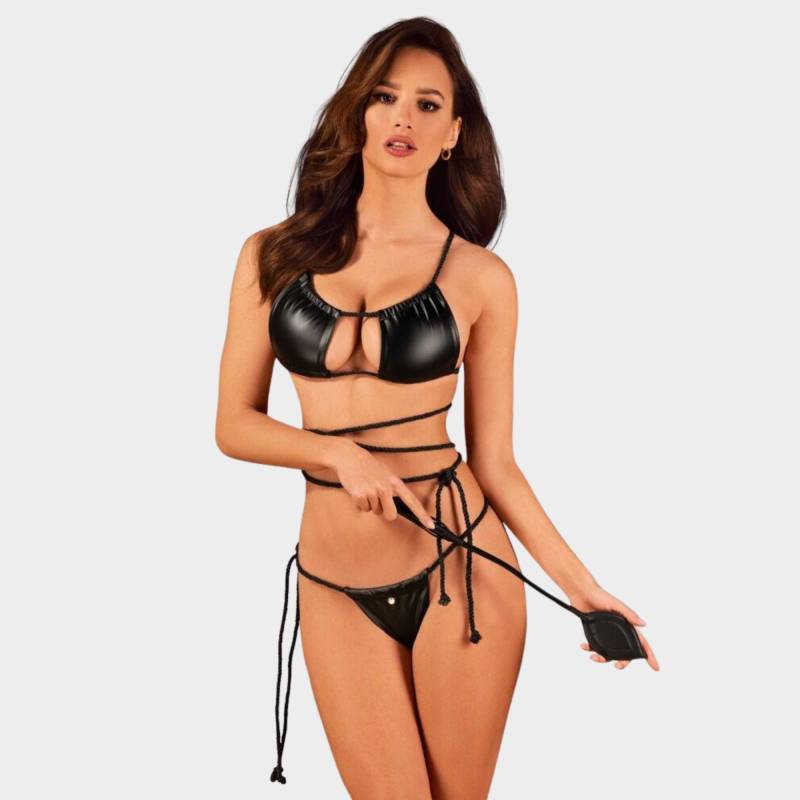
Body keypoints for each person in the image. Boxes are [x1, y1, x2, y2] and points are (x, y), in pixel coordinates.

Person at [215, 16, 659, 799]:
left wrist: (583, 587)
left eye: (428, 105)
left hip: (462, 570)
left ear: (453, 134)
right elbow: (234, 425)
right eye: (385, 97)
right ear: (356, 112)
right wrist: (337, 453)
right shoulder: (271, 255)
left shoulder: (482, 278)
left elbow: (498, 463)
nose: (404, 119)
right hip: (332, 581)